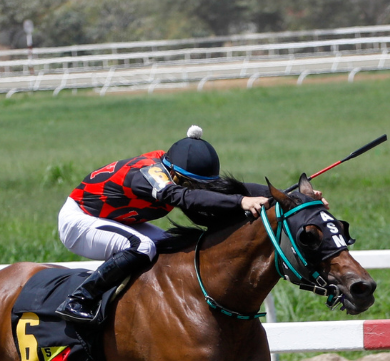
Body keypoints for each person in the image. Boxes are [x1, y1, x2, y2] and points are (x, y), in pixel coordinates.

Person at [54, 125, 273, 323]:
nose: (200, 190)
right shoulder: (150, 174)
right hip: (79, 220)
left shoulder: (173, 167)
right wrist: (241, 202)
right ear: (175, 177)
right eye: (194, 184)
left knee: (172, 246)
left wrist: (281, 195)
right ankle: (78, 300)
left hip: (113, 218)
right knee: (142, 247)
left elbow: (226, 188)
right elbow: (184, 197)